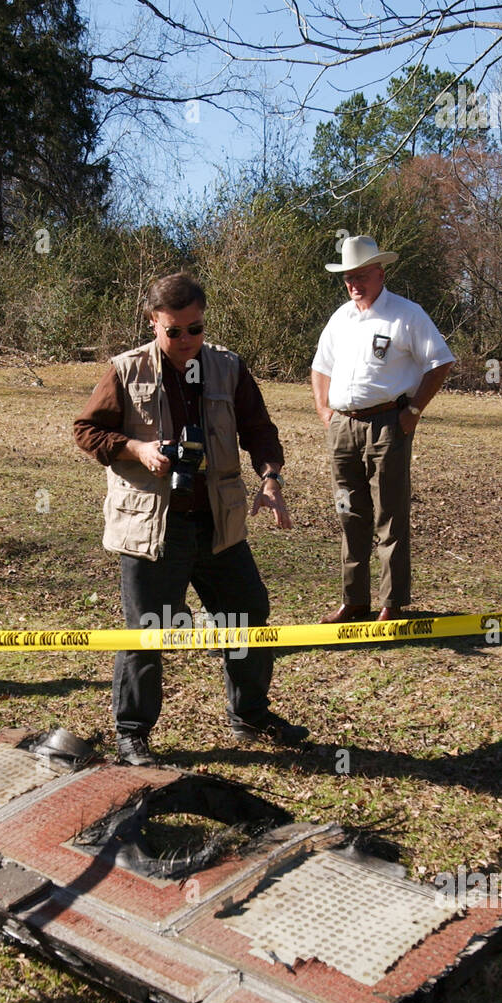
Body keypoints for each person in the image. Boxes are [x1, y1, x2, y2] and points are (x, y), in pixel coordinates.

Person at [73, 271, 309, 766]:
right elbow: (87, 430)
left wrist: (271, 481)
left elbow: (259, 429)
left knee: (248, 616)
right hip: (153, 524)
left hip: (219, 522)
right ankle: (132, 732)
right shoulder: (125, 370)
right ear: (152, 323)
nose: (185, 341)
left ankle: (250, 714)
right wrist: (137, 448)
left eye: (194, 328)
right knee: (147, 630)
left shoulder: (229, 368)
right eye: (173, 331)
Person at [311, 234, 455, 623]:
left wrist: (414, 409)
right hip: (343, 428)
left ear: (380, 272)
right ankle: (353, 600)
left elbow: (440, 362)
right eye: (347, 278)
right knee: (348, 512)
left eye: (361, 275)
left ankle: (391, 603)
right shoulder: (340, 318)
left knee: (389, 515)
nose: (354, 284)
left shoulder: (407, 314)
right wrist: (324, 409)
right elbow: (320, 366)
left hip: (388, 425)